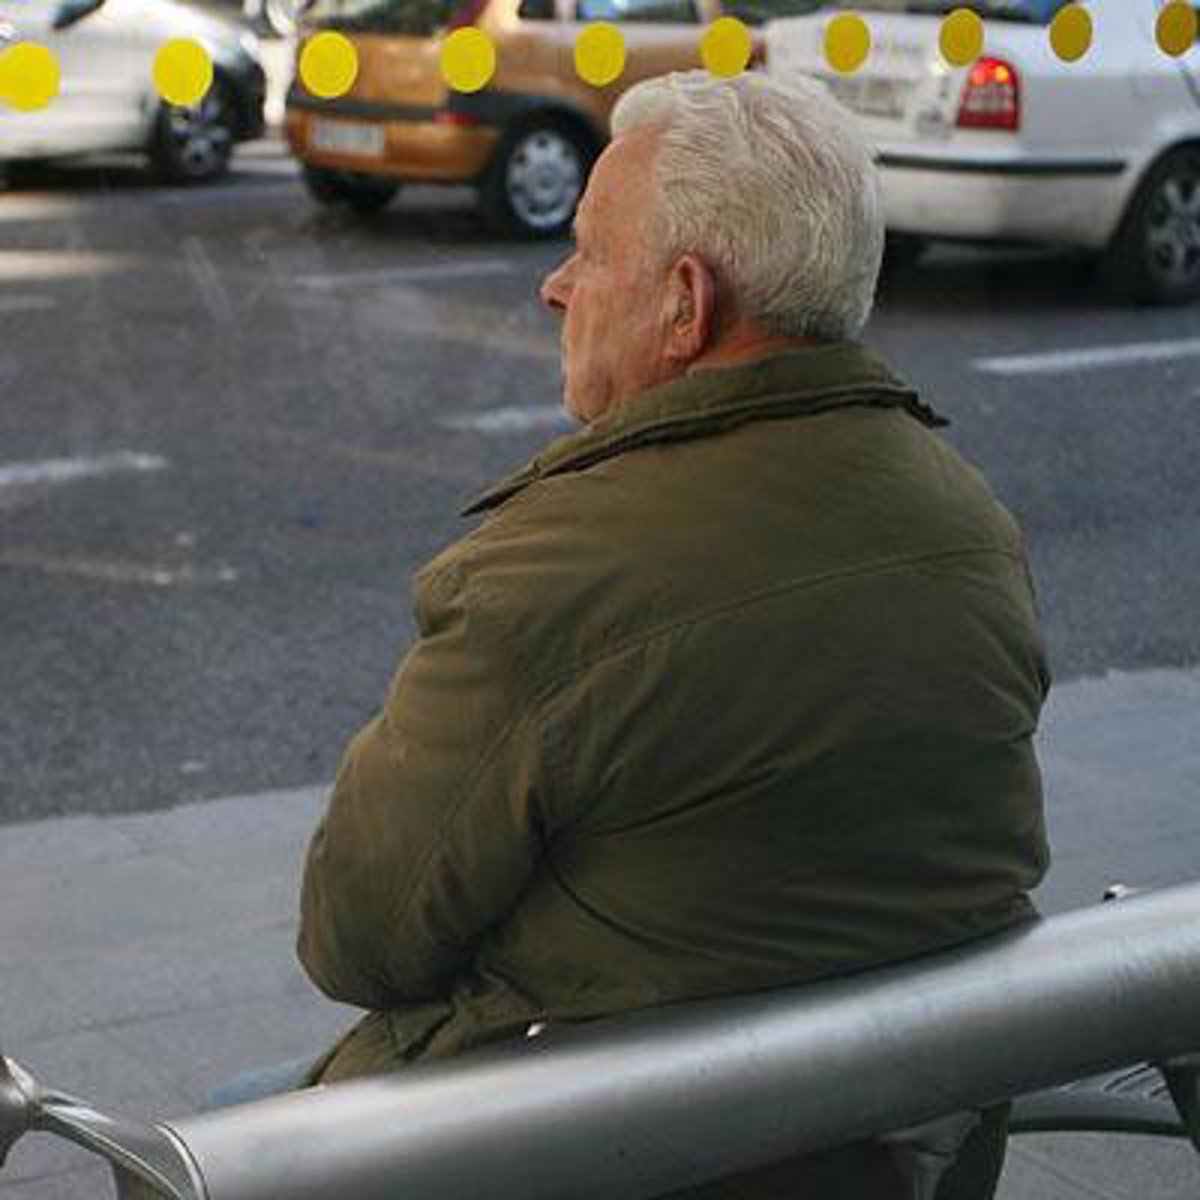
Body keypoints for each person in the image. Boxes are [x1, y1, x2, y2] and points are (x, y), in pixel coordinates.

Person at [214, 69, 1052, 1198]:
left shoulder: (553, 576)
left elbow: (355, 937)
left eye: (588, 252)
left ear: (685, 305)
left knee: (223, 1126)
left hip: (608, 1153)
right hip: (883, 1157)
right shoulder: (972, 527)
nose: (556, 287)